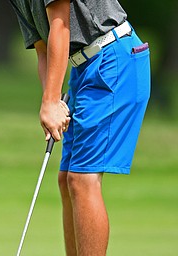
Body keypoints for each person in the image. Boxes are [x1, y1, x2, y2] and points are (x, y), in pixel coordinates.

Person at [9, 0, 150, 255]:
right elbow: (42, 48)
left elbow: (60, 26)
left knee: (81, 179)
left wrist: (51, 100)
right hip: (82, 68)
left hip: (112, 57)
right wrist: (51, 101)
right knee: (66, 179)